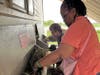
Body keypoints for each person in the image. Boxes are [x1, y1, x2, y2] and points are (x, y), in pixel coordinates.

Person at [34, 0, 100, 75]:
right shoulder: (85, 23)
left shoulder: (78, 25)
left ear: (73, 11)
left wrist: (38, 64)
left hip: (88, 71)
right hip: (94, 68)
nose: (64, 20)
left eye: (64, 16)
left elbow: (60, 55)